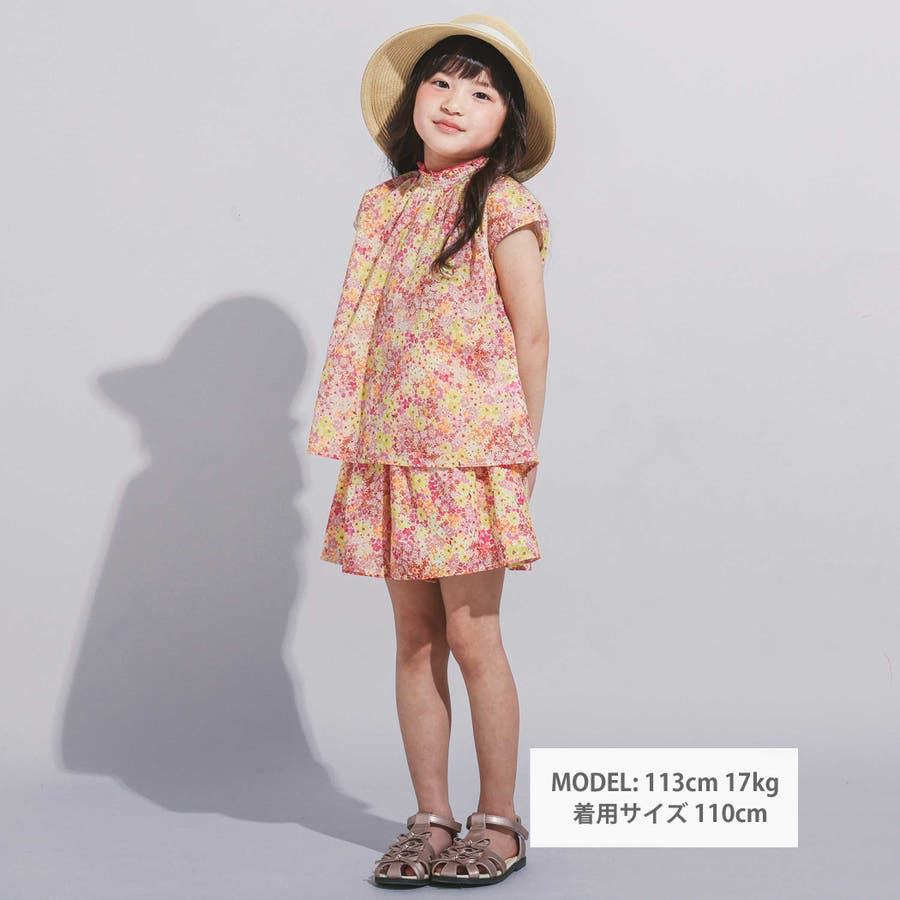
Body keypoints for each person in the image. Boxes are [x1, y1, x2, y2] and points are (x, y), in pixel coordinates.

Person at [306, 13, 556, 888]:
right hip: (391, 450)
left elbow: (532, 335)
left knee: (472, 634)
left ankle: (500, 822)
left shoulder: (503, 204)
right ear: (413, 97)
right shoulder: (385, 206)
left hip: (469, 455)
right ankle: (432, 819)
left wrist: (518, 454)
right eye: (441, 82)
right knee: (414, 638)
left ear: (507, 120)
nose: (454, 101)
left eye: (481, 92)